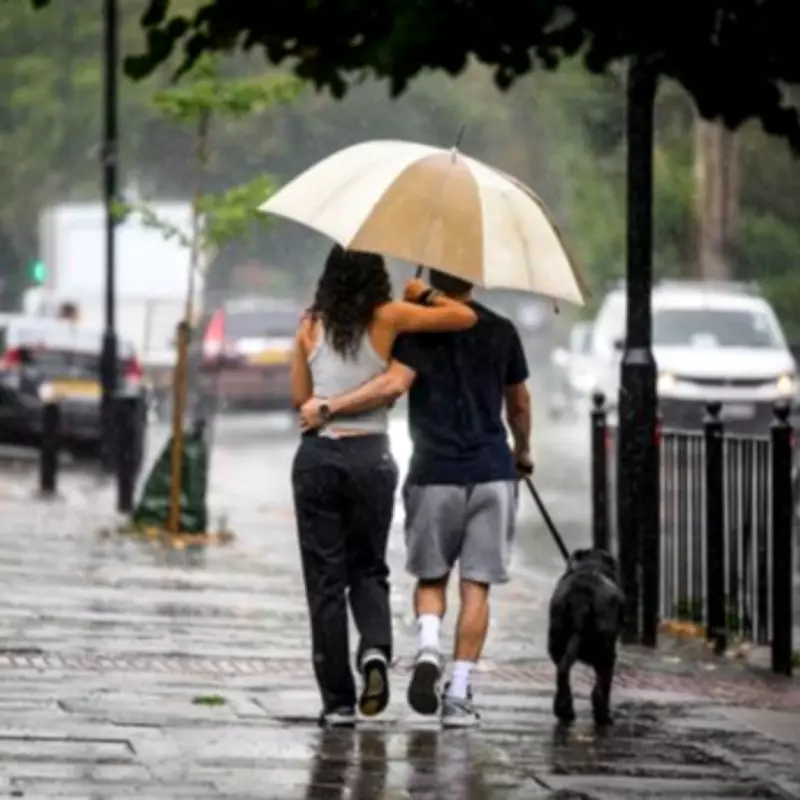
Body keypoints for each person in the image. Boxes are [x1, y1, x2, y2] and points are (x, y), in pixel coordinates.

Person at [300, 268, 533, 728]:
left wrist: (331, 403)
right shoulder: (503, 331)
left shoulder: (418, 330)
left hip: (435, 472)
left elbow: (394, 384)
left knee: (431, 578)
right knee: (476, 586)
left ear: (432, 277)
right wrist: (522, 452)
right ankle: (460, 694)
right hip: (491, 470)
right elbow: (519, 404)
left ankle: (428, 646)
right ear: (475, 279)